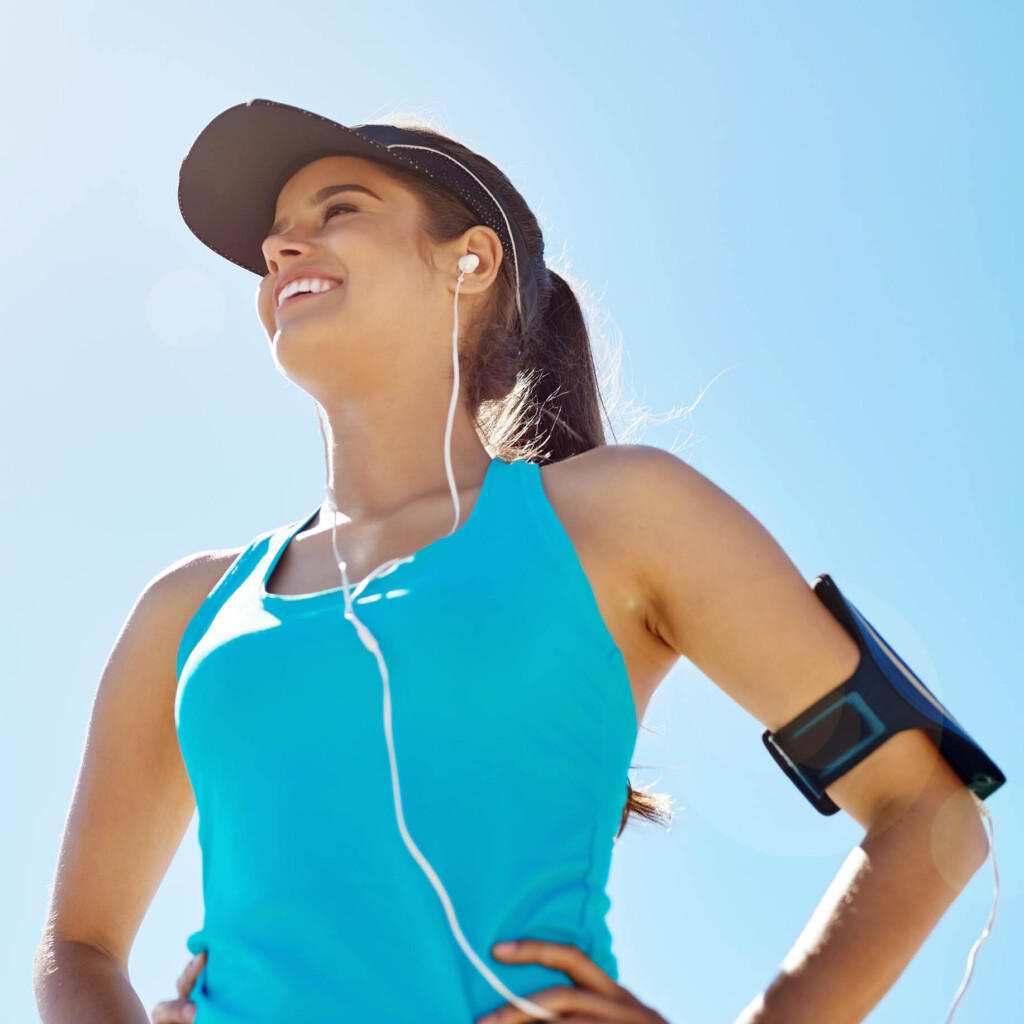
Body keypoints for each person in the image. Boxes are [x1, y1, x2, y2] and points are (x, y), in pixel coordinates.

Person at [35, 102, 992, 1024]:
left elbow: (926, 815)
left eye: (340, 211)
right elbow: (77, 947)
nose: (284, 248)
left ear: (470, 260)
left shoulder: (625, 516)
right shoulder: (187, 611)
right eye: (275, 239)